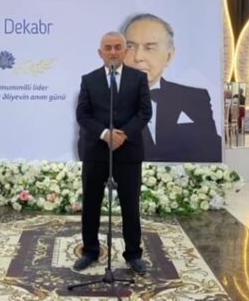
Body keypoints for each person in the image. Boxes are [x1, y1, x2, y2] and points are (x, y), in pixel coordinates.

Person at [74, 32, 152, 274]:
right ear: (100, 53)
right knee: (91, 203)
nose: (113, 52)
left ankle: (133, 254)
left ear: (125, 51)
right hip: (96, 151)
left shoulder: (139, 78)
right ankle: (90, 251)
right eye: (108, 48)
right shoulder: (89, 80)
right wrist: (104, 134)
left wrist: (122, 135)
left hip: (128, 151)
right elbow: (82, 115)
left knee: (130, 204)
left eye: (118, 47)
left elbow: (144, 112)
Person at [122, 14, 221, 162]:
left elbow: (211, 150)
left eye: (149, 48)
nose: (138, 57)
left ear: (168, 56)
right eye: (130, 47)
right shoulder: (101, 99)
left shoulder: (194, 98)